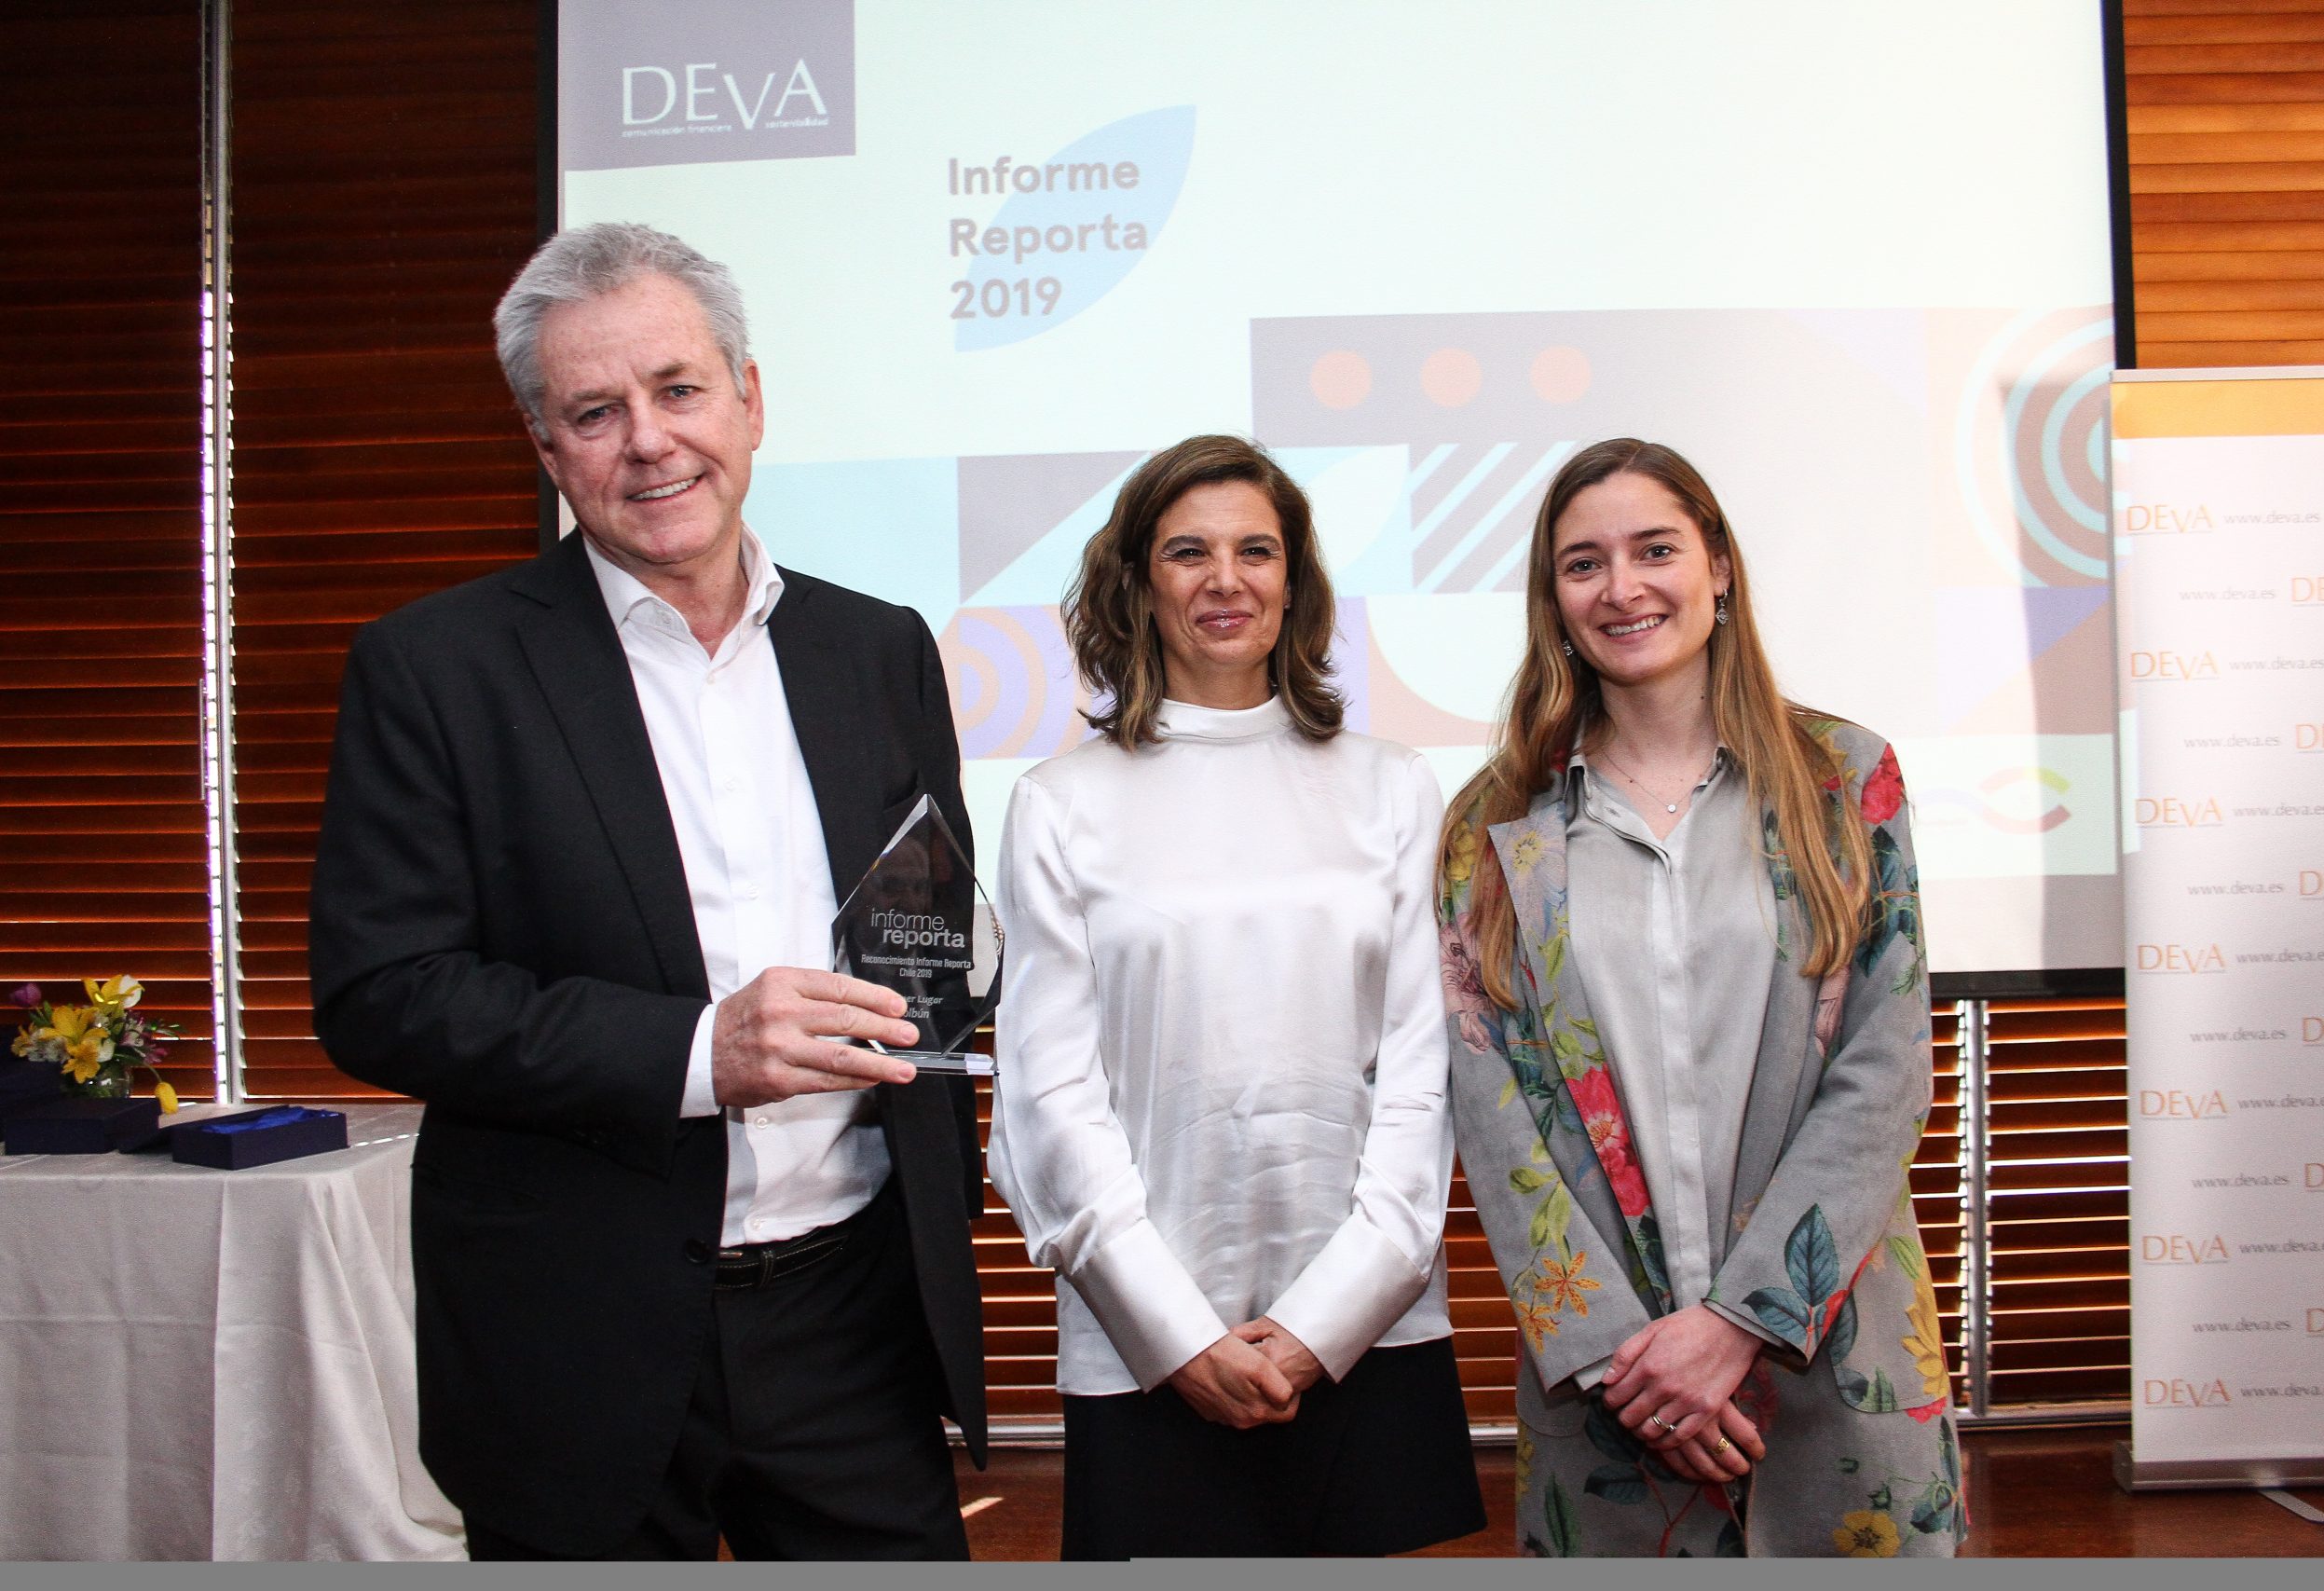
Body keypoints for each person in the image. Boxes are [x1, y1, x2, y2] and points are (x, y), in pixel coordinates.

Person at [308, 222, 986, 1561]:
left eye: (679, 390)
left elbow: (930, 926)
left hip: (855, 1313)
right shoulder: (434, 668)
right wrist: (696, 1051)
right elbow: (384, 993)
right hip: (573, 1331)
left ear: (749, 398)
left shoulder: (879, 649)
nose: (650, 442)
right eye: (595, 412)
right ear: (545, 444)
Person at [1437, 439, 1962, 1558]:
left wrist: (1736, 1323)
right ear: (1552, 598)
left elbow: (1884, 1071)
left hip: (1835, 1355)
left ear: (1717, 567)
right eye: (1583, 564)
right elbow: (1493, 1112)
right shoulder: (1492, 825)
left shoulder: (1843, 778)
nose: (1621, 588)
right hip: (1612, 1388)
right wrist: (1626, 1363)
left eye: (1655, 550)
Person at [987, 435, 1485, 1558]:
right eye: (1187, 552)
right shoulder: (1059, 803)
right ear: (1136, 582)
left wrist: (1320, 1327)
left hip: (1365, 1330)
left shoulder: (1392, 787)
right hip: (1150, 1345)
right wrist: (1175, 1335)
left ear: (1294, 582)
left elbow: (1421, 1077)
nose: (1225, 580)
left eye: (1256, 551)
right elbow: (1049, 1099)